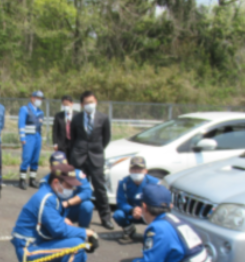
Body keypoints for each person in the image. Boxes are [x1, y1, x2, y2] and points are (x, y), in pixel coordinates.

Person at [11, 163, 96, 262]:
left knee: (81, 256)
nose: (72, 189)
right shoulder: (47, 198)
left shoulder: (51, 194)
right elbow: (58, 231)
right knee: (77, 246)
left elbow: (55, 225)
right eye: (69, 186)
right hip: (28, 249)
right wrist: (84, 232)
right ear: (56, 182)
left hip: (35, 244)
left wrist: (65, 222)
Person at [69, 90, 113, 229]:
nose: (89, 105)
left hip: (96, 158)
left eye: (92, 102)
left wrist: (96, 150)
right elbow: (73, 138)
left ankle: (105, 218)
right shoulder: (76, 118)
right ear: (82, 104)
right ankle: (77, 215)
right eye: (86, 103)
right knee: (78, 187)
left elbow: (106, 139)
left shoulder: (103, 118)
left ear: (96, 102)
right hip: (79, 158)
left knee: (100, 188)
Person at [41, 151, 94, 228]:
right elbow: (45, 205)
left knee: (87, 206)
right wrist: (60, 219)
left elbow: (87, 192)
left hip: (72, 209)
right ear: (51, 168)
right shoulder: (45, 182)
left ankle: (84, 230)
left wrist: (68, 203)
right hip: (56, 211)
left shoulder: (77, 175)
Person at [113, 156, 160, 242]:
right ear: (129, 170)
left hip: (148, 212)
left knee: (160, 216)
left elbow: (158, 202)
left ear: (145, 171)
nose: (136, 171)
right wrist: (132, 210)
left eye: (139, 169)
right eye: (134, 169)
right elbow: (120, 202)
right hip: (132, 213)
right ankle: (129, 228)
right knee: (118, 215)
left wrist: (145, 210)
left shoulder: (154, 182)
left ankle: (155, 231)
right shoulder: (123, 183)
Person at [18, 90, 44, 190]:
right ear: (32, 98)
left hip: (37, 137)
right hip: (28, 137)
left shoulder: (40, 111)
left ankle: (32, 179)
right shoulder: (25, 109)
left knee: (35, 159)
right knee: (27, 158)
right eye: (37, 98)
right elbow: (21, 124)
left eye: (40, 99)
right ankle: (22, 180)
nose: (39, 100)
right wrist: (22, 137)